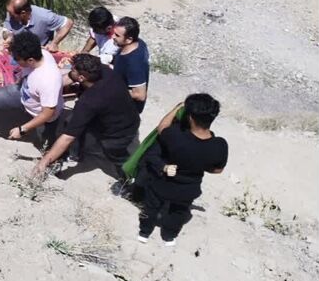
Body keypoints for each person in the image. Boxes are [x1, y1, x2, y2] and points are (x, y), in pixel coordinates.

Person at [32, 54, 141, 183]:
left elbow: (68, 137)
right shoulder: (103, 70)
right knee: (72, 122)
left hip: (119, 130)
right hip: (122, 113)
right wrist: (50, 88)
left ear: (82, 77)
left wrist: (44, 162)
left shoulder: (90, 101)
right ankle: (74, 154)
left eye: (73, 69)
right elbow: (70, 77)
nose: (70, 71)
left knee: (116, 155)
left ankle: (129, 181)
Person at [138, 94, 228, 246]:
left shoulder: (175, 136)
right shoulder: (220, 145)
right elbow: (217, 170)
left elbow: (162, 127)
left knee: (152, 207)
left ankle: (144, 232)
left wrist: (177, 108)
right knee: (178, 212)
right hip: (189, 189)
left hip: (163, 184)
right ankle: (169, 236)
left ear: (190, 118)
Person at [3, 0, 74, 53]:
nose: (9, 15)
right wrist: (9, 38)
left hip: (39, 54)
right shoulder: (11, 13)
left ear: (23, 13)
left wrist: (54, 43)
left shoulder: (45, 17)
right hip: (18, 52)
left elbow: (68, 22)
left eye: (12, 14)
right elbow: (7, 31)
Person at [112, 16, 150, 113]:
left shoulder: (134, 63)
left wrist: (112, 90)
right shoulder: (138, 43)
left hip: (125, 109)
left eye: (117, 35)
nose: (113, 37)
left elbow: (140, 95)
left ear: (129, 39)